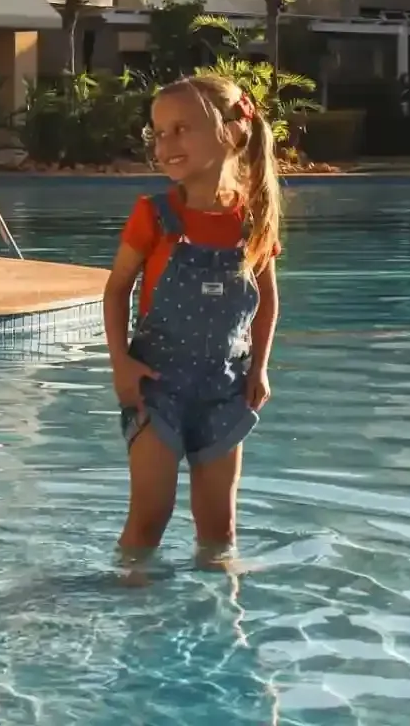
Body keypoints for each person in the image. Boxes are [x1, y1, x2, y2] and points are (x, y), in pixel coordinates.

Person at [103, 74, 281, 559]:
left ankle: (219, 602)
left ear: (232, 132)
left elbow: (267, 296)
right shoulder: (154, 215)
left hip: (225, 388)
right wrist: (121, 364)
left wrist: (260, 367)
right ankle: (130, 595)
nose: (166, 145)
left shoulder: (251, 219)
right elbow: (117, 289)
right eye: (159, 133)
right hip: (156, 387)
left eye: (181, 129)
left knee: (220, 530)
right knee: (150, 518)